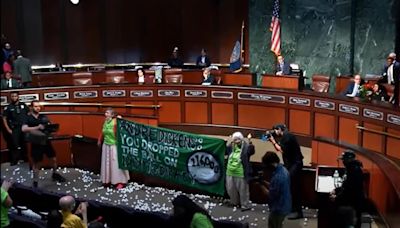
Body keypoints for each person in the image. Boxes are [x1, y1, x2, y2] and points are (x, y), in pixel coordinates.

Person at [22, 100, 66, 187]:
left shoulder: (44, 117)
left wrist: (52, 129)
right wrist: (37, 127)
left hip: (46, 141)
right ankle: (35, 182)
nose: (38, 108)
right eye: (35, 106)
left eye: (39, 106)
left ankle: (55, 174)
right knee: (37, 163)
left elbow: (48, 126)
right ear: (31, 107)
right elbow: (24, 129)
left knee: (53, 159)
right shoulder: (28, 117)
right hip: (36, 142)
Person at [268, 124, 304, 219]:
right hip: (291, 164)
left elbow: (282, 150)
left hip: (295, 165)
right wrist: (273, 142)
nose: (275, 133)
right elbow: (279, 149)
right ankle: (293, 208)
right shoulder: (285, 137)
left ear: (279, 129)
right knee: (290, 187)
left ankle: (298, 211)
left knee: (294, 188)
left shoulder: (287, 136)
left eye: (275, 130)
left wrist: (273, 141)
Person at [330, 150, 365, 228]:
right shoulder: (351, 168)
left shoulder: (354, 171)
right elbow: (346, 185)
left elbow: (349, 191)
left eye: (344, 159)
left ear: (349, 159)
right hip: (352, 202)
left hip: (353, 204)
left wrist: (336, 198)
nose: (343, 162)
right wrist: (336, 190)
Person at [97, 107, 129, 189]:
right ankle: (108, 180)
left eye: (107, 113)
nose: (105, 114)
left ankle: (120, 181)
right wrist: (99, 140)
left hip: (115, 146)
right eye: (105, 112)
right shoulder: (106, 122)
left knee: (116, 164)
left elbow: (121, 130)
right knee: (107, 164)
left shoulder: (115, 122)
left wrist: (120, 121)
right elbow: (102, 131)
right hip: (106, 145)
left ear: (112, 115)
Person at [225, 132, 255, 211]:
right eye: (235, 140)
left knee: (243, 190)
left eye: (238, 139)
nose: (236, 141)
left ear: (241, 139)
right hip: (230, 171)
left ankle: (245, 205)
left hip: (241, 172)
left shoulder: (246, 146)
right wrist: (226, 142)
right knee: (231, 189)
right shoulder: (231, 146)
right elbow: (224, 152)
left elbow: (251, 151)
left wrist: (250, 140)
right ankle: (234, 202)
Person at [261, 152, 291, 228]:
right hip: (284, 204)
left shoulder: (278, 177)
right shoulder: (284, 170)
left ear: (271, 164)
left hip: (278, 208)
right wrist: (264, 182)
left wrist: (260, 185)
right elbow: (274, 186)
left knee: (274, 224)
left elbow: (270, 194)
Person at [2, 91, 29, 165]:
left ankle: (25, 159)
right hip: (15, 128)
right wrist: (8, 129)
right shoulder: (8, 107)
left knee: (25, 143)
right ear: (10, 97)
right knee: (14, 145)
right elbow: (4, 118)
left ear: (18, 97)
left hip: (24, 127)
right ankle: (14, 160)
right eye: (12, 96)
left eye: (15, 96)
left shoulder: (23, 105)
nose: (14, 98)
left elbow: (29, 114)